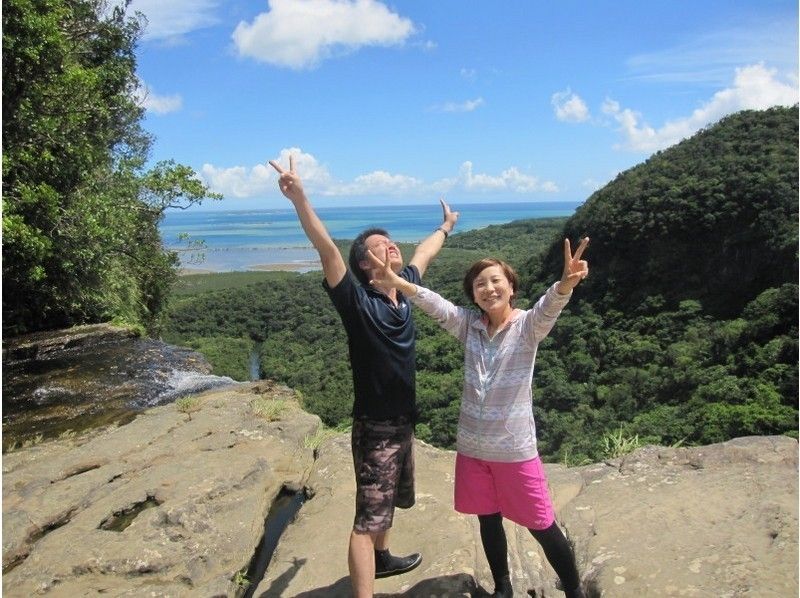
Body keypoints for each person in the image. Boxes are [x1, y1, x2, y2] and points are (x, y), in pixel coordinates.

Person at [268, 155, 459, 598]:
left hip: (404, 420)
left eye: (391, 243)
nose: (391, 246)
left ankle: (383, 558)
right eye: (380, 245)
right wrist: (300, 199)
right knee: (366, 517)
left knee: (389, 500)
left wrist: (446, 225)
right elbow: (327, 250)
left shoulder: (406, 289)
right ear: (365, 264)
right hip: (375, 427)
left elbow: (425, 252)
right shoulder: (356, 302)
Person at [366, 238, 590, 598]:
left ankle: (576, 591)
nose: (488, 288)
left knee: (542, 523)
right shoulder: (469, 326)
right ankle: (503, 587)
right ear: (473, 295)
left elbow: (550, 307)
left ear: (512, 288)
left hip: (514, 450)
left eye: (496, 281)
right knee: (487, 518)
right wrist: (401, 284)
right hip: (472, 449)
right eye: (480, 284)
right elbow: (436, 305)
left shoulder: (528, 327)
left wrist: (565, 283)